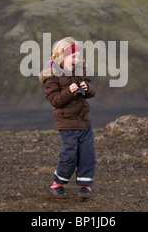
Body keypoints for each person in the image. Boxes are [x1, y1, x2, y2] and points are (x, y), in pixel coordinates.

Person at [39, 37, 96, 199]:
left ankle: (85, 186)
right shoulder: (52, 76)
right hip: (67, 123)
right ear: (61, 57)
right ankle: (57, 183)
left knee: (87, 154)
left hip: (84, 121)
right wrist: (69, 91)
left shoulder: (80, 70)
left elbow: (91, 90)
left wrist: (87, 88)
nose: (77, 59)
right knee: (69, 154)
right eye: (73, 56)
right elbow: (55, 101)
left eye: (77, 56)